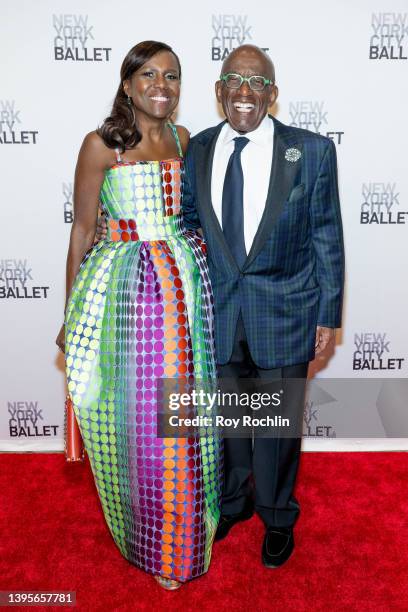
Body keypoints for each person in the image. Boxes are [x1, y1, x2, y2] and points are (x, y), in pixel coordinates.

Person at [56, 40, 221, 590]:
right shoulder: (102, 144)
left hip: (184, 290)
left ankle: (185, 537)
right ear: (127, 84)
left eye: (172, 76)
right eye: (148, 74)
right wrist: (70, 311)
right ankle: (155, 539)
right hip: (130, 296)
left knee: (183, 418)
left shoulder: (186, 139)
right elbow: (82, 230)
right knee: (144, 424)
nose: (161, 85)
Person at [182, 44, 345, 568]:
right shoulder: (199, 149)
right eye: (233, 80)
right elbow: (187, 227)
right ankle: (234, 502)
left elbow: (327, 234)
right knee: (229, 424)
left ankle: (277, 515)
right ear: (218, 92)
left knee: (278, 429)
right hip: (221, 313)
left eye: (256, 83)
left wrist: (328, 313)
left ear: (272, 95)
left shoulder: (312, 151)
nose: (244, 92)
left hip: (288, 311)